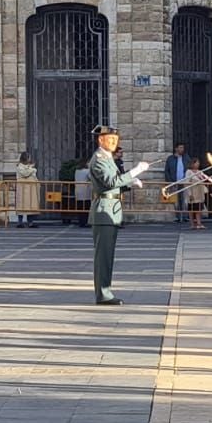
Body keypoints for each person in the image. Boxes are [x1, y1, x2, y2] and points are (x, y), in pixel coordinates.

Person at [87, 124, 149, 304]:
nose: (114, 142)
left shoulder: (107, 158)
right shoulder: (99, 159)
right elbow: (109, 181)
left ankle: (105, 291)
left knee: (108, 255)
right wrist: (135, 171)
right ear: (100, 140)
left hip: (111, 210)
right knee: (103, 257)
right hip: (103, 210)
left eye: (116, 139)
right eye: (111, 139)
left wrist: (129, 183)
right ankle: (103, 294)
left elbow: (115, 184)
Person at [182, 157, 212, 229]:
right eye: (197, 163)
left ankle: (199, 223)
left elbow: (206, 177)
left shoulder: (199, 172)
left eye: (198, 163)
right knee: (191, 209)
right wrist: (190, 194)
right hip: (192, 193)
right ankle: (192, 224)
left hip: (199, 194)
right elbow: (187, 183)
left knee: (199, 209)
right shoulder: (188, 172)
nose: (198, 164)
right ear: (193, 164)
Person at [15, 152, 40, 228]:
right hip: (22, 188)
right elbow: (25, 173)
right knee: (21, 205)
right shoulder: (20, 166)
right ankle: (20, 222)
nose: (30, 159)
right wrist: (33, 170)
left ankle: (30, 222)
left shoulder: (29, 166)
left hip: (30, 189)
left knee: (30, 205)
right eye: (29, 158)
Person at [165, 143, 187, 223]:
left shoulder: (186, 158)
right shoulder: (170, 159)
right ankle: (178, 217)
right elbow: (167, 171)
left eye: (183, 148)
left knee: (184, 200)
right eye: (180, 147)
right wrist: (169, 182)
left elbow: (189, 168)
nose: (182, 149)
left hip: (184, 182)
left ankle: (185, 216)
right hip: (174, 182)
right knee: (176, 201)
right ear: (176, 149)